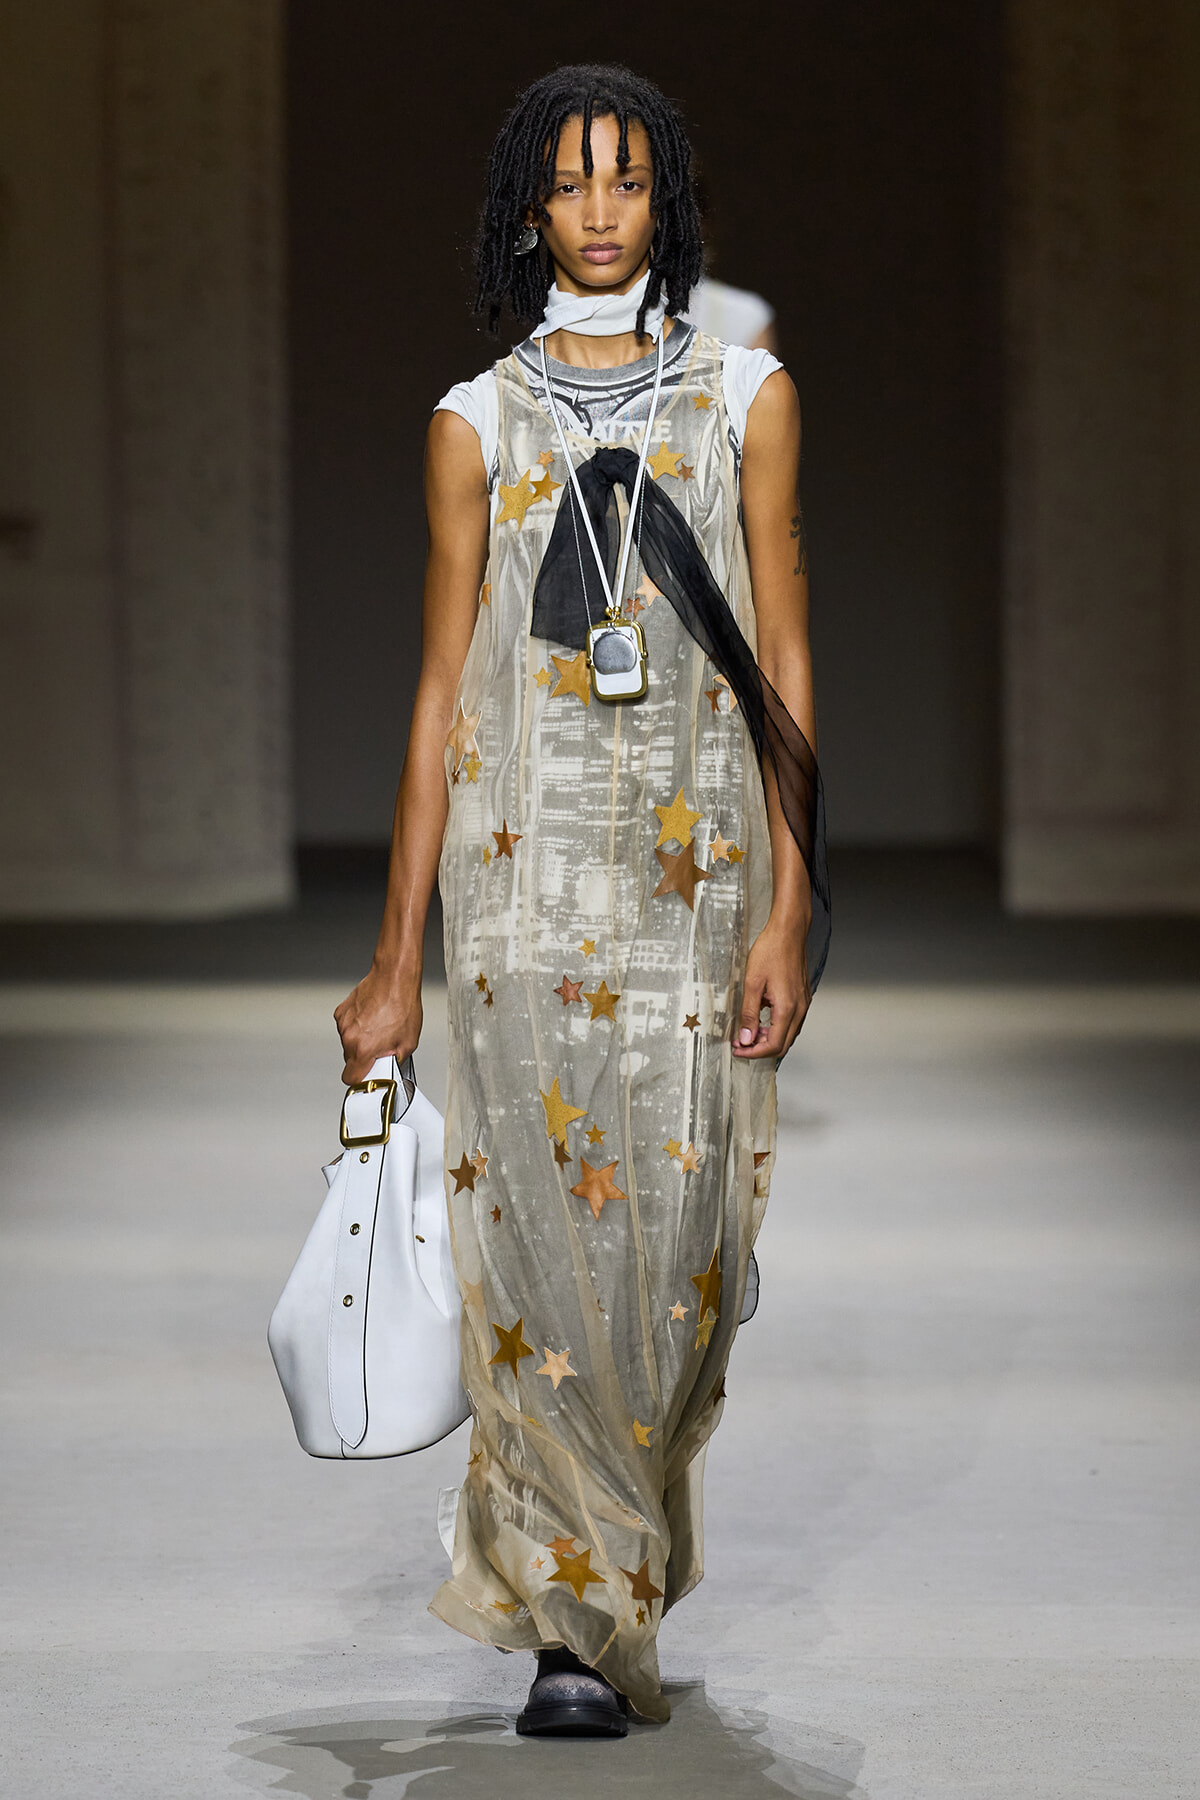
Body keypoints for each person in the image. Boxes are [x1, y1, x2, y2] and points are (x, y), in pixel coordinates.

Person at [334, 63, 829, 1736]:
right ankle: (574, 1628)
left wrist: (793, 896)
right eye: (570, 182)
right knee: (541, 1252)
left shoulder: (746, 396)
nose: (601, 209)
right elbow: (438, 692)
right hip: (519, 878)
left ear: (666, 199)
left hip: (694, 885)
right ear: (527, 209)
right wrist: (394, 958)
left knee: (677, 1255)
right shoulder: (473, 418)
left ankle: (618, 1571)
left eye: (628, 180)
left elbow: (784, 656)